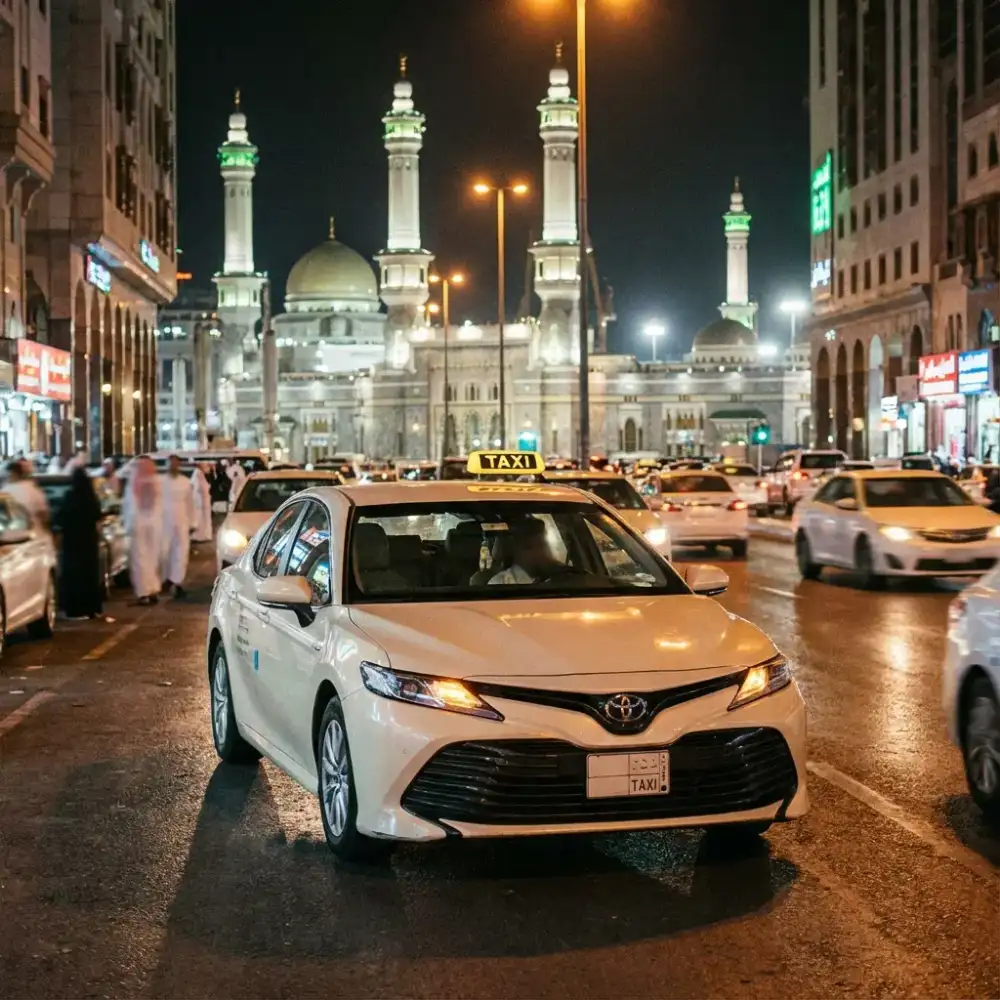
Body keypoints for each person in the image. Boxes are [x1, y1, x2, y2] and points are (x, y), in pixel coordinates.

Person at [59, 466, 104, 619]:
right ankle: (91, 608)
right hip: (89, 543)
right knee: (89, 575)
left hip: (72, 543)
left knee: (74, 576)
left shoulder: (69, 497)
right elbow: (98, 516)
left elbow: (61, 517)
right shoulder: (91, 497)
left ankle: (75, 609)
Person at [124, 456, 163, 605]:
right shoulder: (156, 481)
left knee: (140, 558)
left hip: (139, 522)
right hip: (154, 523)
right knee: (152, 558)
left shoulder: (135, 481)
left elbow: (130, 506)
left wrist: (128, 525)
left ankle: (144, 592)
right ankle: (153, 589)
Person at [161, 454, 195, 598]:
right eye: (170, 463)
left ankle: (177, 581)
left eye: (175, 463)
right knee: (164, 552)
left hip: (181, 521)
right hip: (164, 522)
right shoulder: (160, 482)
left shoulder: (185, 482)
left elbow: (190, 504)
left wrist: (193, 523)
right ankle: (165, 580)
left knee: (181, 552)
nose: (173, 466)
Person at [489, 517, 559, 586]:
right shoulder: (500, 583)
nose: (538, 552)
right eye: (528, 547)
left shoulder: (558, 579)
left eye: (541, 545)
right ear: (516, 551)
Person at [5, 459, 50, 529]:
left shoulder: (6, 491)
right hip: (36, 535)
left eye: (9, 474)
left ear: (14, 474)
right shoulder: (35, 491)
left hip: (8, 536)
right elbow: (44, 516)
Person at [190, 463, 213, 543]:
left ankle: (205, 535)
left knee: (204, 519)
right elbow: (199, 488)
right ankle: (200, 536)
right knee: (200, 519)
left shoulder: (201, 474)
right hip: (200, 502)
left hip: (204, 502)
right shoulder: (197, 474)